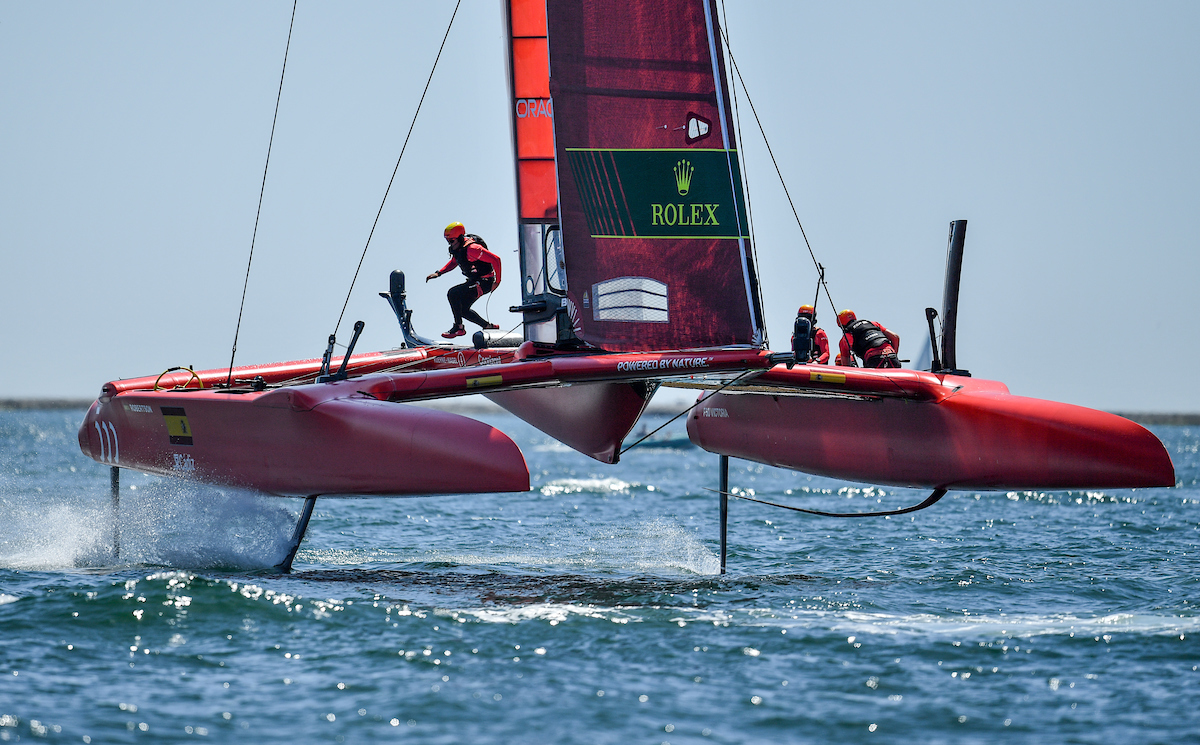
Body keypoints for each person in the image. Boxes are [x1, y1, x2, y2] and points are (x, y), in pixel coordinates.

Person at [426, 222, 502, 338]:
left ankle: (458, 328)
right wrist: (439, 273)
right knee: (462, 310)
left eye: (452, 241)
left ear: (460, 238)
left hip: (485, 283)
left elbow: (496, 259)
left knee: (453, 293)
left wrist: (497, 282)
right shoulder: (460, 249)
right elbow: (455, 262)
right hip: (475, 282)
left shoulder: (473, 249)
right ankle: (488, 326)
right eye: (448, 241)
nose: (450, 244)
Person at [835, 309, 900, 368]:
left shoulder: (846, 337)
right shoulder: (873, 324)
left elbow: (846, 367)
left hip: (874, 360)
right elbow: (895, 337)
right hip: (892, 356)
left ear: (842, 326)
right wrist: (894, 355)